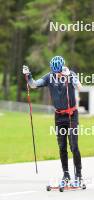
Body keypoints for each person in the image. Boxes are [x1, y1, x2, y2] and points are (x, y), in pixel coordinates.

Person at [23, 56, 83, 184]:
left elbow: (80, 87)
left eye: (59, 72)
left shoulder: (70, 74)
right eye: (55, 73)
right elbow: (33, 85)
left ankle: (78, 174)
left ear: (63, 68)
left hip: (72, 115)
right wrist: (28, 75)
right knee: (62, 146)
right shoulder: (49, 77)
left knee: (74, 145)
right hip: (59, 116)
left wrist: (70, 77)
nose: (58, 75)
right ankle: (66, 174)